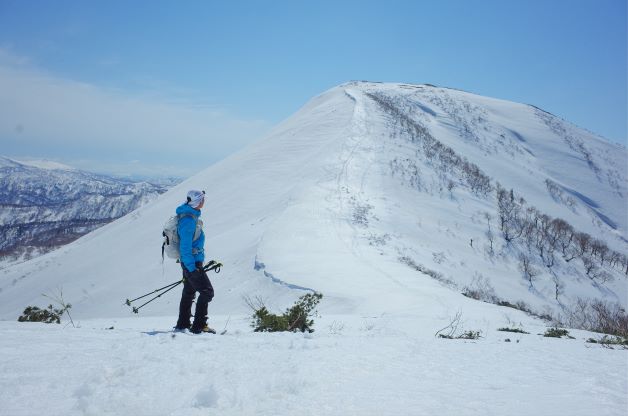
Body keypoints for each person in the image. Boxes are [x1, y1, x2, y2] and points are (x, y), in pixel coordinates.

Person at [174, 190, 216, 334]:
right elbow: (185, 247)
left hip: (191, 261)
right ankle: (199, 325)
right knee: (207, 292)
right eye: (202, 199)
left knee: (189, 291)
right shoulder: (188, 220)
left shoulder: (191, 216)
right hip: (191, 263)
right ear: (197, 201)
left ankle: (183, 324)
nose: (204, 201)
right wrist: (192, 268)